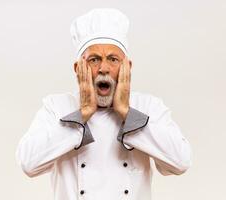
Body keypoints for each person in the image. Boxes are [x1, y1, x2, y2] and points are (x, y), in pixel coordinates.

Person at [15, 8, 192, 200]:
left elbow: (181, 162)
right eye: (94, 59)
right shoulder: (56, 106)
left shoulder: (148, 106)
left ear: (127, 67)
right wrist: (83, 114)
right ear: (78, 68)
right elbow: (28, 163)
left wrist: (127, 113)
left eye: (113, 59)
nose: (104, 69)